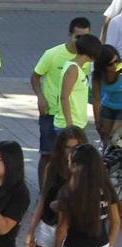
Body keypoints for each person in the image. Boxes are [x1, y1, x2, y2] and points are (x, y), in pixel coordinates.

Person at [30, 19, 92, 157]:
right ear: (69, 35)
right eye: (78, 37)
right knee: (47, 155)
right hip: (50, 111)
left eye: (85, 37)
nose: (81, 41)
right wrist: (40, 97)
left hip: (71, 116)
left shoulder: (86, 60)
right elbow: (35, 77)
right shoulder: (52, 54)